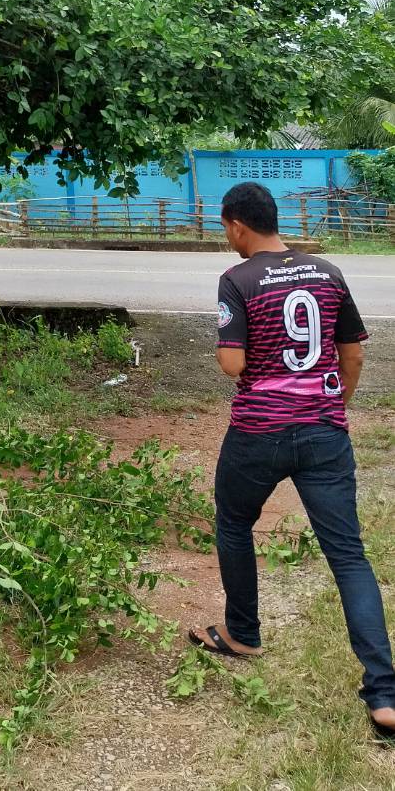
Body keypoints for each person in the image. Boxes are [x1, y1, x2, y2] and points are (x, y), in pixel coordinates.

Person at [191, 180, 395, 742]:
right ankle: (384, 695)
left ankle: (242, 634)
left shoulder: (236, 280)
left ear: (236, 224)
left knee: (234, 523)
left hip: (258, 432)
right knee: (349, 555)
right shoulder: (327, 272)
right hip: (324, 431)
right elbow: (352, 352)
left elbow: (231, 364)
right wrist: (334, 404)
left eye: (224, 228)